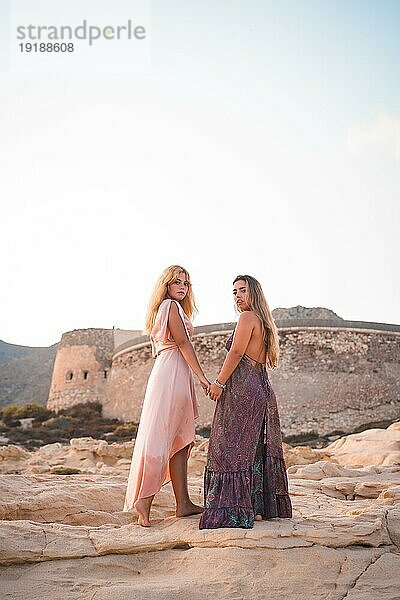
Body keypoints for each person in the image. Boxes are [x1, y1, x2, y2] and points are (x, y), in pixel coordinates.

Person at [199, 275, 292, 529]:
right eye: (234, 292)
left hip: (243, 391)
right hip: (261, 389)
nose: (237, 296)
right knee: (252, 450)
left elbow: (236, 352)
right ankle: (255, 508)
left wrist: (218, 383)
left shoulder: (247, 318)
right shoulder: (264, 322)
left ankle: (233, 511)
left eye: (243, 290)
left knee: (229, 447)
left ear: (254, 293)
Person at [123, 265, 210, 526]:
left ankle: (183, 503)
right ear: (167, 286)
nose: (182, 287)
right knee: (160, 436)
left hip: (173, 371)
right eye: (176, 283)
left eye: (186, 283)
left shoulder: (171, 308)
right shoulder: (170, 307)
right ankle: (144, 501)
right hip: (172, 371)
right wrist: (203, 377)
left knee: (181, 439)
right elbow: (183, 344)